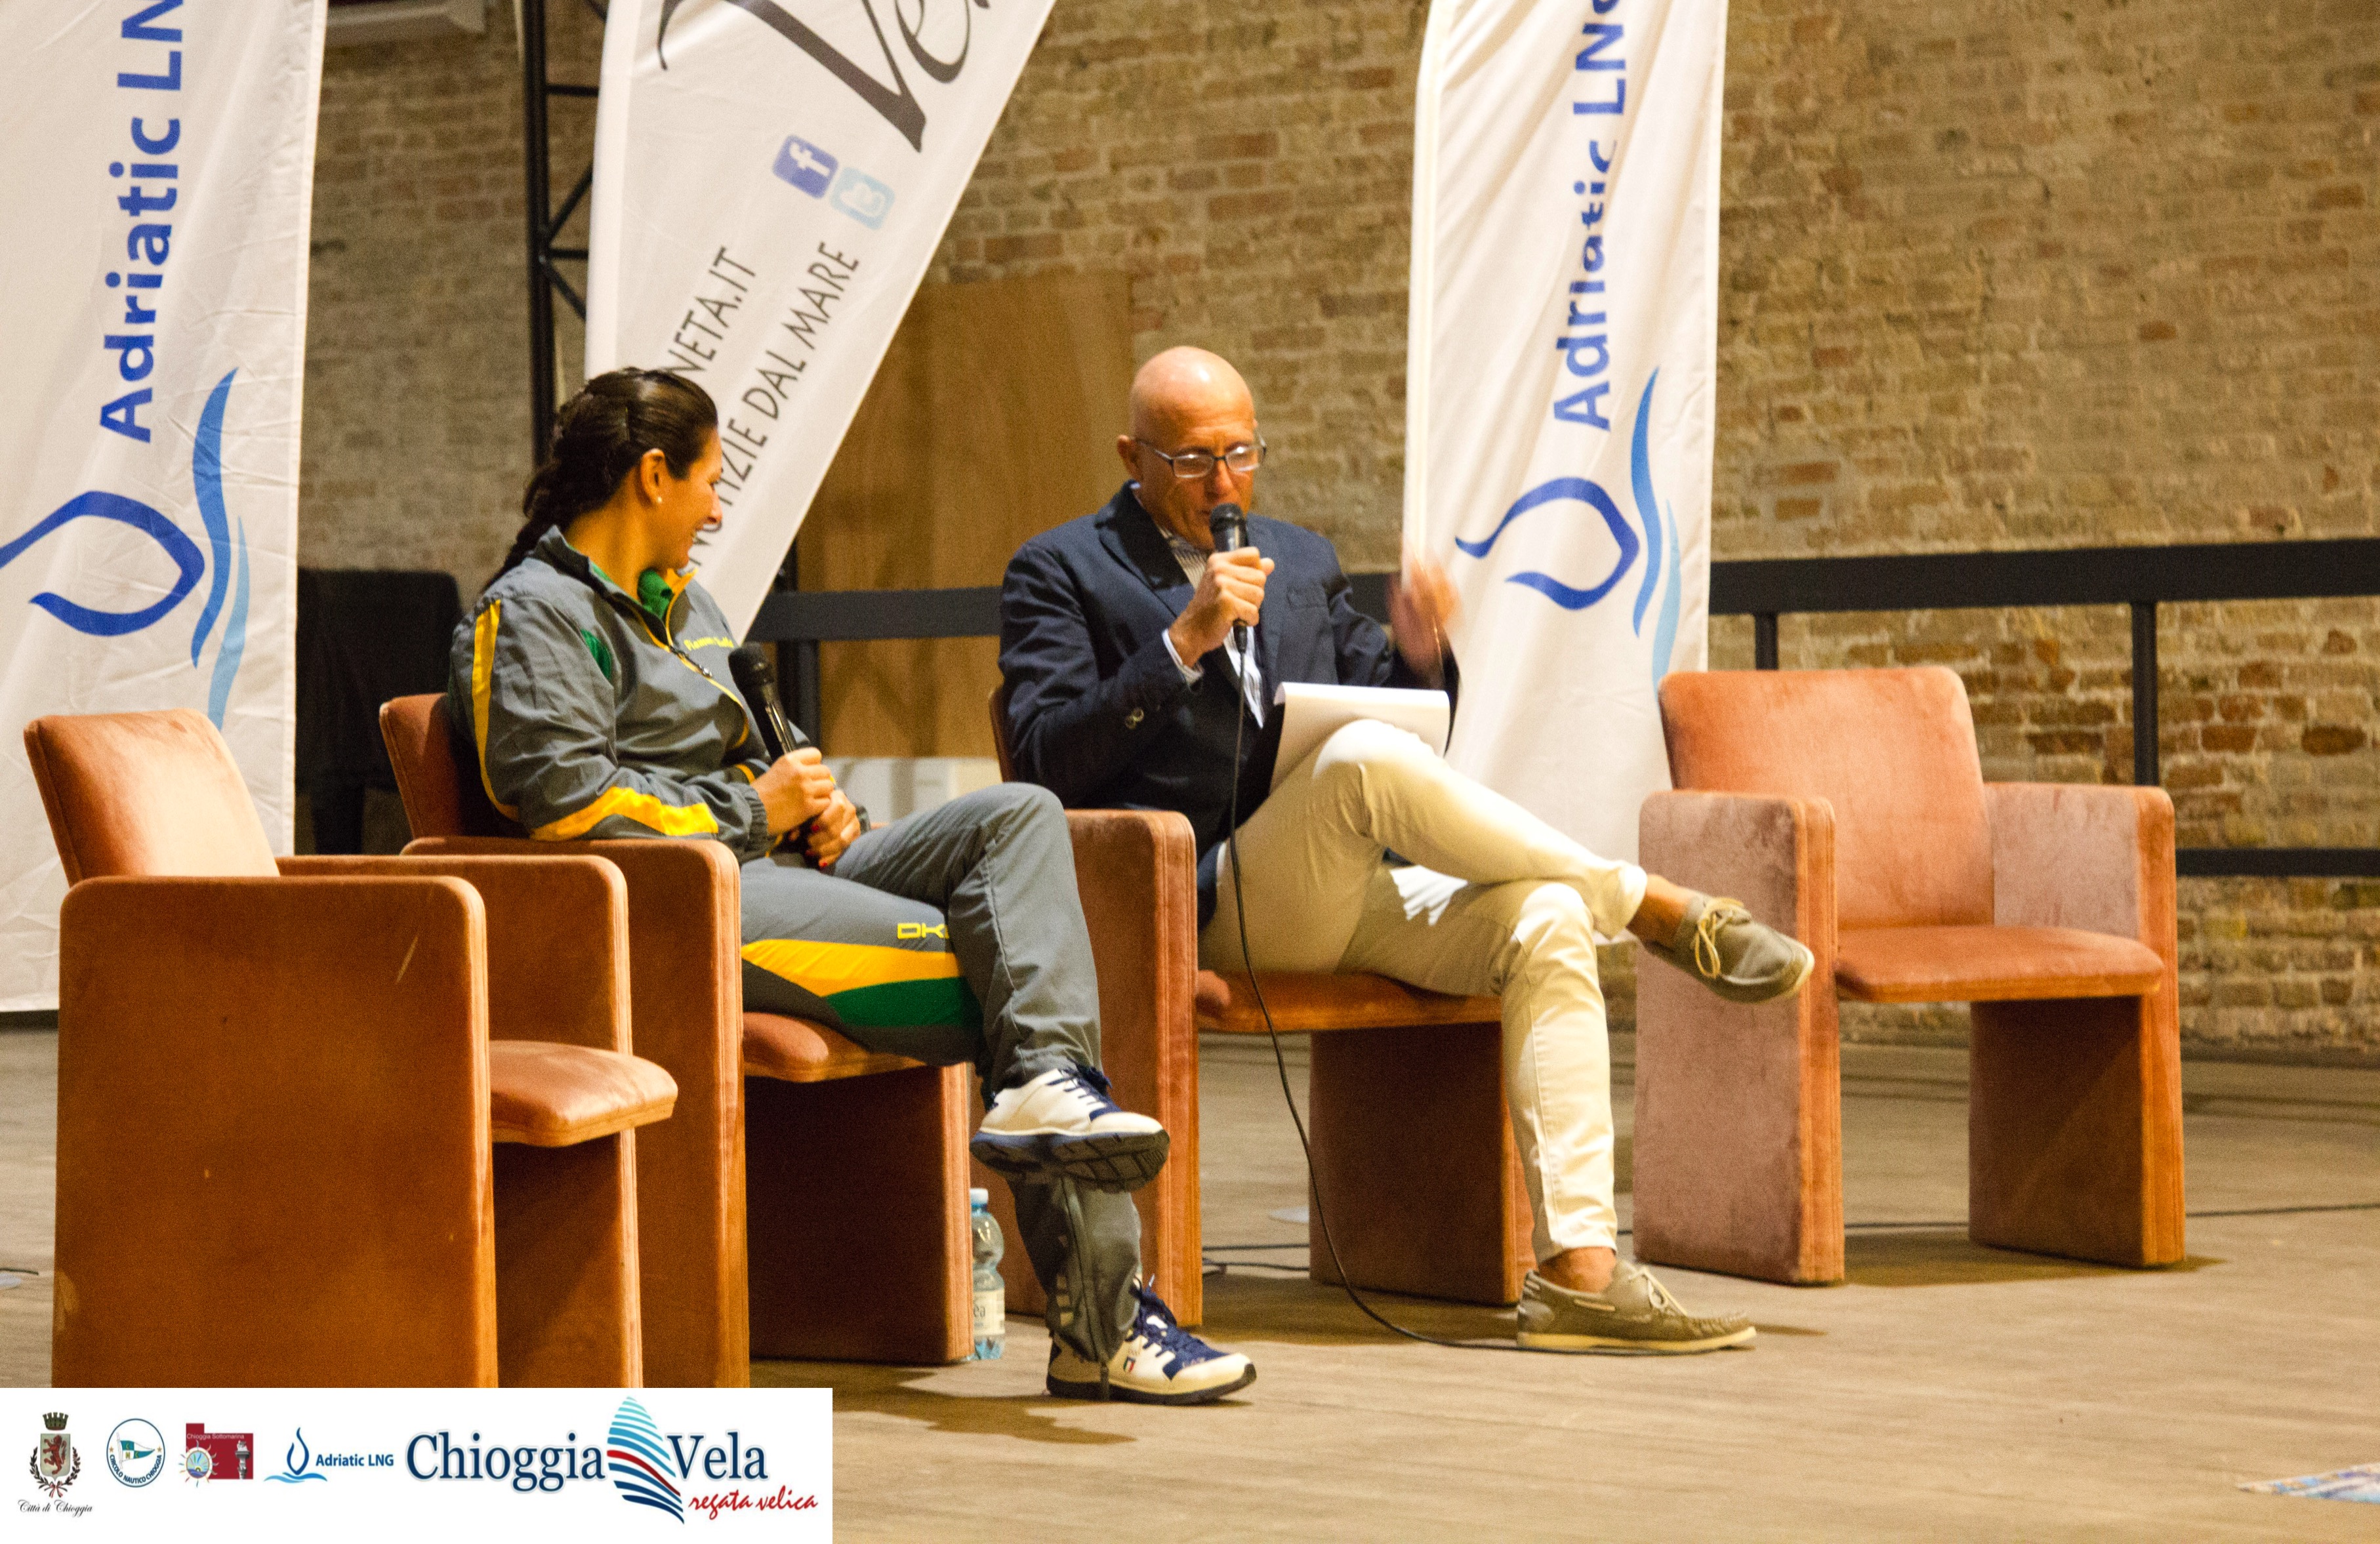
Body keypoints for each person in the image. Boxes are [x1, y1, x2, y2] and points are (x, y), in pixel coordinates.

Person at [449, 369, 1254, 1404]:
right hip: (685, 902)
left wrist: (820, 810)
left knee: (1020, 816)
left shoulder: (688, 606)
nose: (717, 509)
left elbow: (753, 758)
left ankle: (1052, 1109)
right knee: (1016, 987)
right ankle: (1104, 1321)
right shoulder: (535, 613)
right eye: (709, 481)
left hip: (776, 862)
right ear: (652, 476)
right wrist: (756, 810)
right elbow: (566, 808)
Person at [1000, 347, 1816, 1354]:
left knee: (1547, 917)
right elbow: (1045, 758)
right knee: (1358, 765)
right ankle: (1648, 903)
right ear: (1134, 456)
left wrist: (1424, 659)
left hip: (1335, 887)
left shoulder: (1299, 558)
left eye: (1242, 453)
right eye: (1194, 461)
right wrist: (1183, 643)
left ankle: (1580, 1275)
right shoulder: (1060, 568)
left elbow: (1391, 714)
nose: (1224, 485)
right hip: (1194, 901)